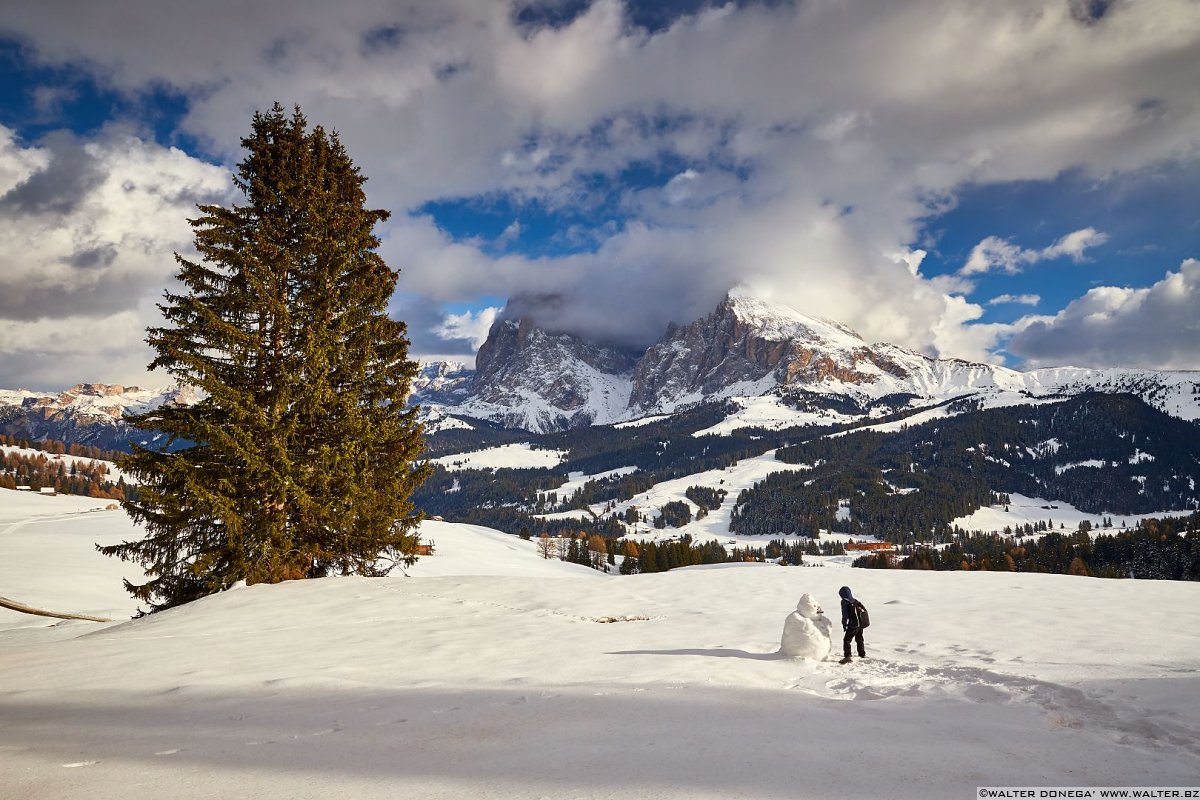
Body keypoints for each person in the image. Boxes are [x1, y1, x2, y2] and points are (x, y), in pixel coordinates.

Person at [839, 585, 866, 664]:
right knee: (859, 639)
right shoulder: (854, 600)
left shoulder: (844, 602)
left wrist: (844, 624)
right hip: (860, 624)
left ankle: (847, 656)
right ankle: (862, 654)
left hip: (852, 625)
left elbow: (845, 615)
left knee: (847, 640)